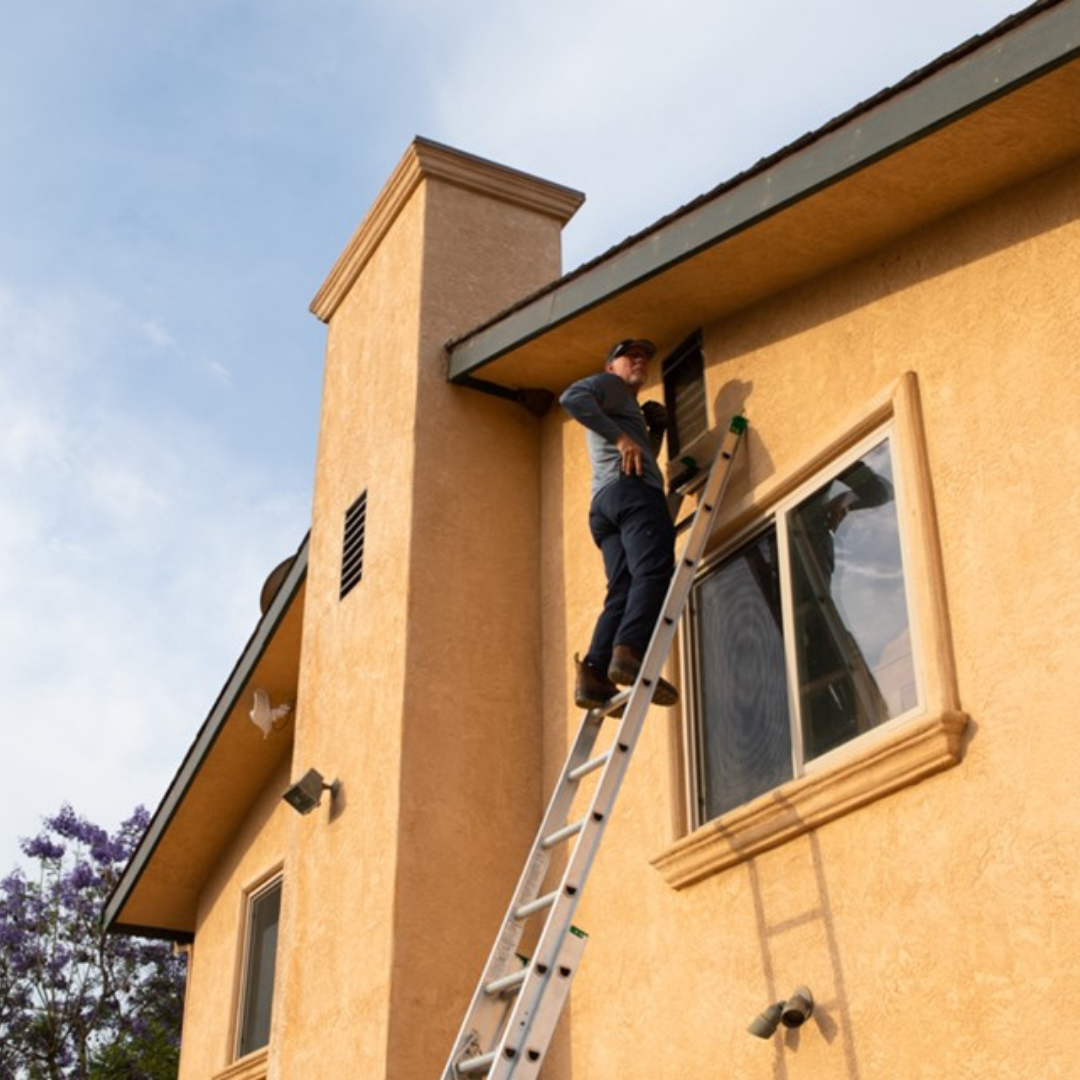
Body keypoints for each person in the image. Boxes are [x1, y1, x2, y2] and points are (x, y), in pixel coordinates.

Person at [560, 338, 679, 710]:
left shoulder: (624, 406)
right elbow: (571, 398)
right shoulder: (609, 386)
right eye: (630, 355)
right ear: (612, 366)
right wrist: (624, 435)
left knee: (623, 587)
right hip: (632, 496)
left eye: (644, 355)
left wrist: (651, 434)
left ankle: (594, 674)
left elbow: (637, 458)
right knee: (654, 573)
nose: (639, 359)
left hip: (606, 505)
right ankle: (630, 653)